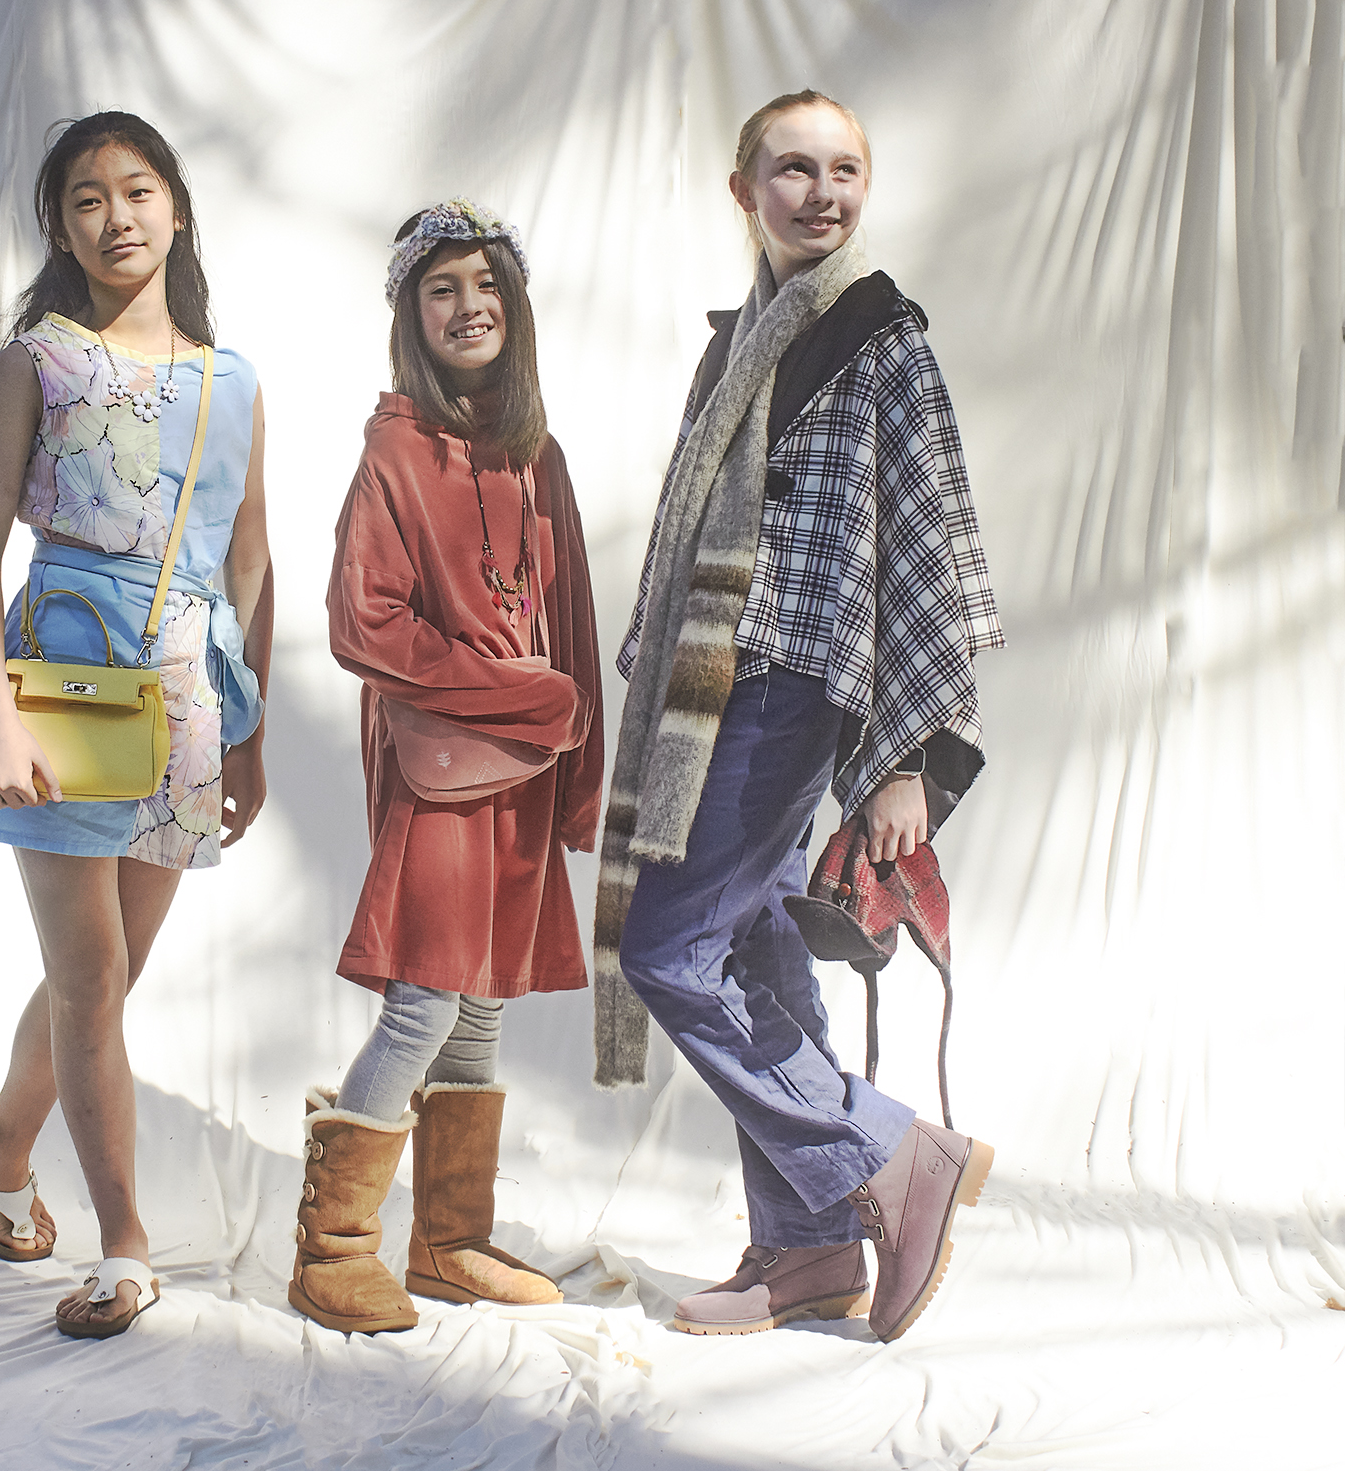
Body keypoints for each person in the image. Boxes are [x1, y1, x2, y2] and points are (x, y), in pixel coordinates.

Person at [595, 91, 1005, 1343]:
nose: (818, 192)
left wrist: (902, 759)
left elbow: (927, 544)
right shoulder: (738, 347)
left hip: (787, 687)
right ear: (744, 190)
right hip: (706, 690)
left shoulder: (881, 336)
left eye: (841, 170)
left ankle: (894, 1155)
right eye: (790, 169)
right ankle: (809, 1251)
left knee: (666, 951)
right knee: (756, 950)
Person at [0, 112, 272, 1340]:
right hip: (64, 676)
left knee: (111, 977)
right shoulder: (35, 360)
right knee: (89, 980)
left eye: (137, 190)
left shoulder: (230, 379)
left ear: (176, 207)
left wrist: (249, 730)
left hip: (183, 696)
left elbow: (250, 559)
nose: (116, 215)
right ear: (59, 225)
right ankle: (123, 1246)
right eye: (87, 198)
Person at [288, 200, 603, 1336]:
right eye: (441, 289)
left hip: (522, 775)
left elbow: (568, 624)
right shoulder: (393, 449)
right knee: (422, 999)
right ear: (409, 317)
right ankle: (329, 1250)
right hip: (435, 773)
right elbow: (361, 624)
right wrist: (518, 695)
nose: (468, 307)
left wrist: (576, 773)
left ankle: (449, 1240)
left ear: (511, 308)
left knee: (479, 1005)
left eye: (486, 286)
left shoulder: (535, 453)